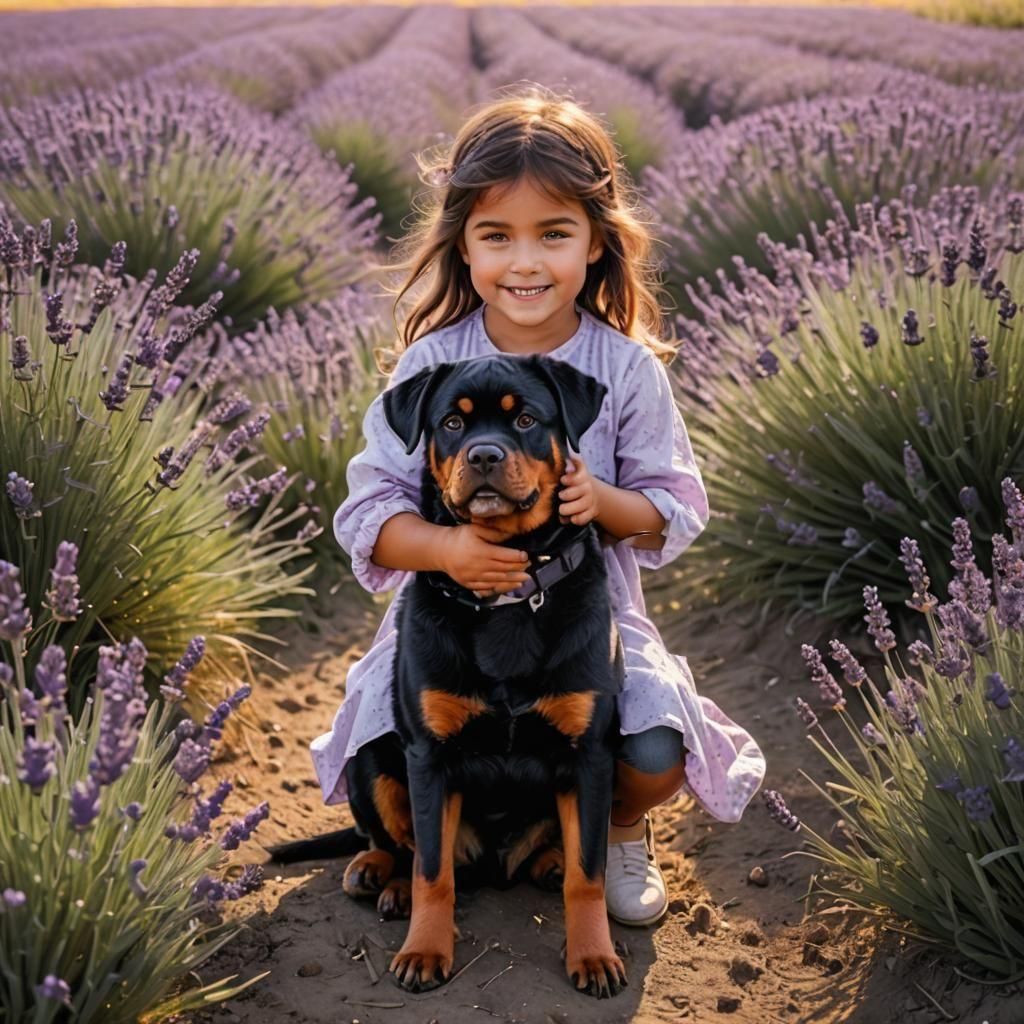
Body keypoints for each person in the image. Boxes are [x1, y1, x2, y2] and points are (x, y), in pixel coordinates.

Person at [311, 86, 765, 928]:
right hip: (448, 621)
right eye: (497, 236)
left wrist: (605, 500)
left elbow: (674, 508)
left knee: (653, 750)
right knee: (400, 748)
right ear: (465, 246)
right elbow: (367, 507)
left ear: (597, 243)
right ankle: (406, 854)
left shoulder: (624, 370)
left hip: (582, 616)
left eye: (553, 234)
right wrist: (444, 551)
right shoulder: (430, 363)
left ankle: (617, 830)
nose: (525, 262)